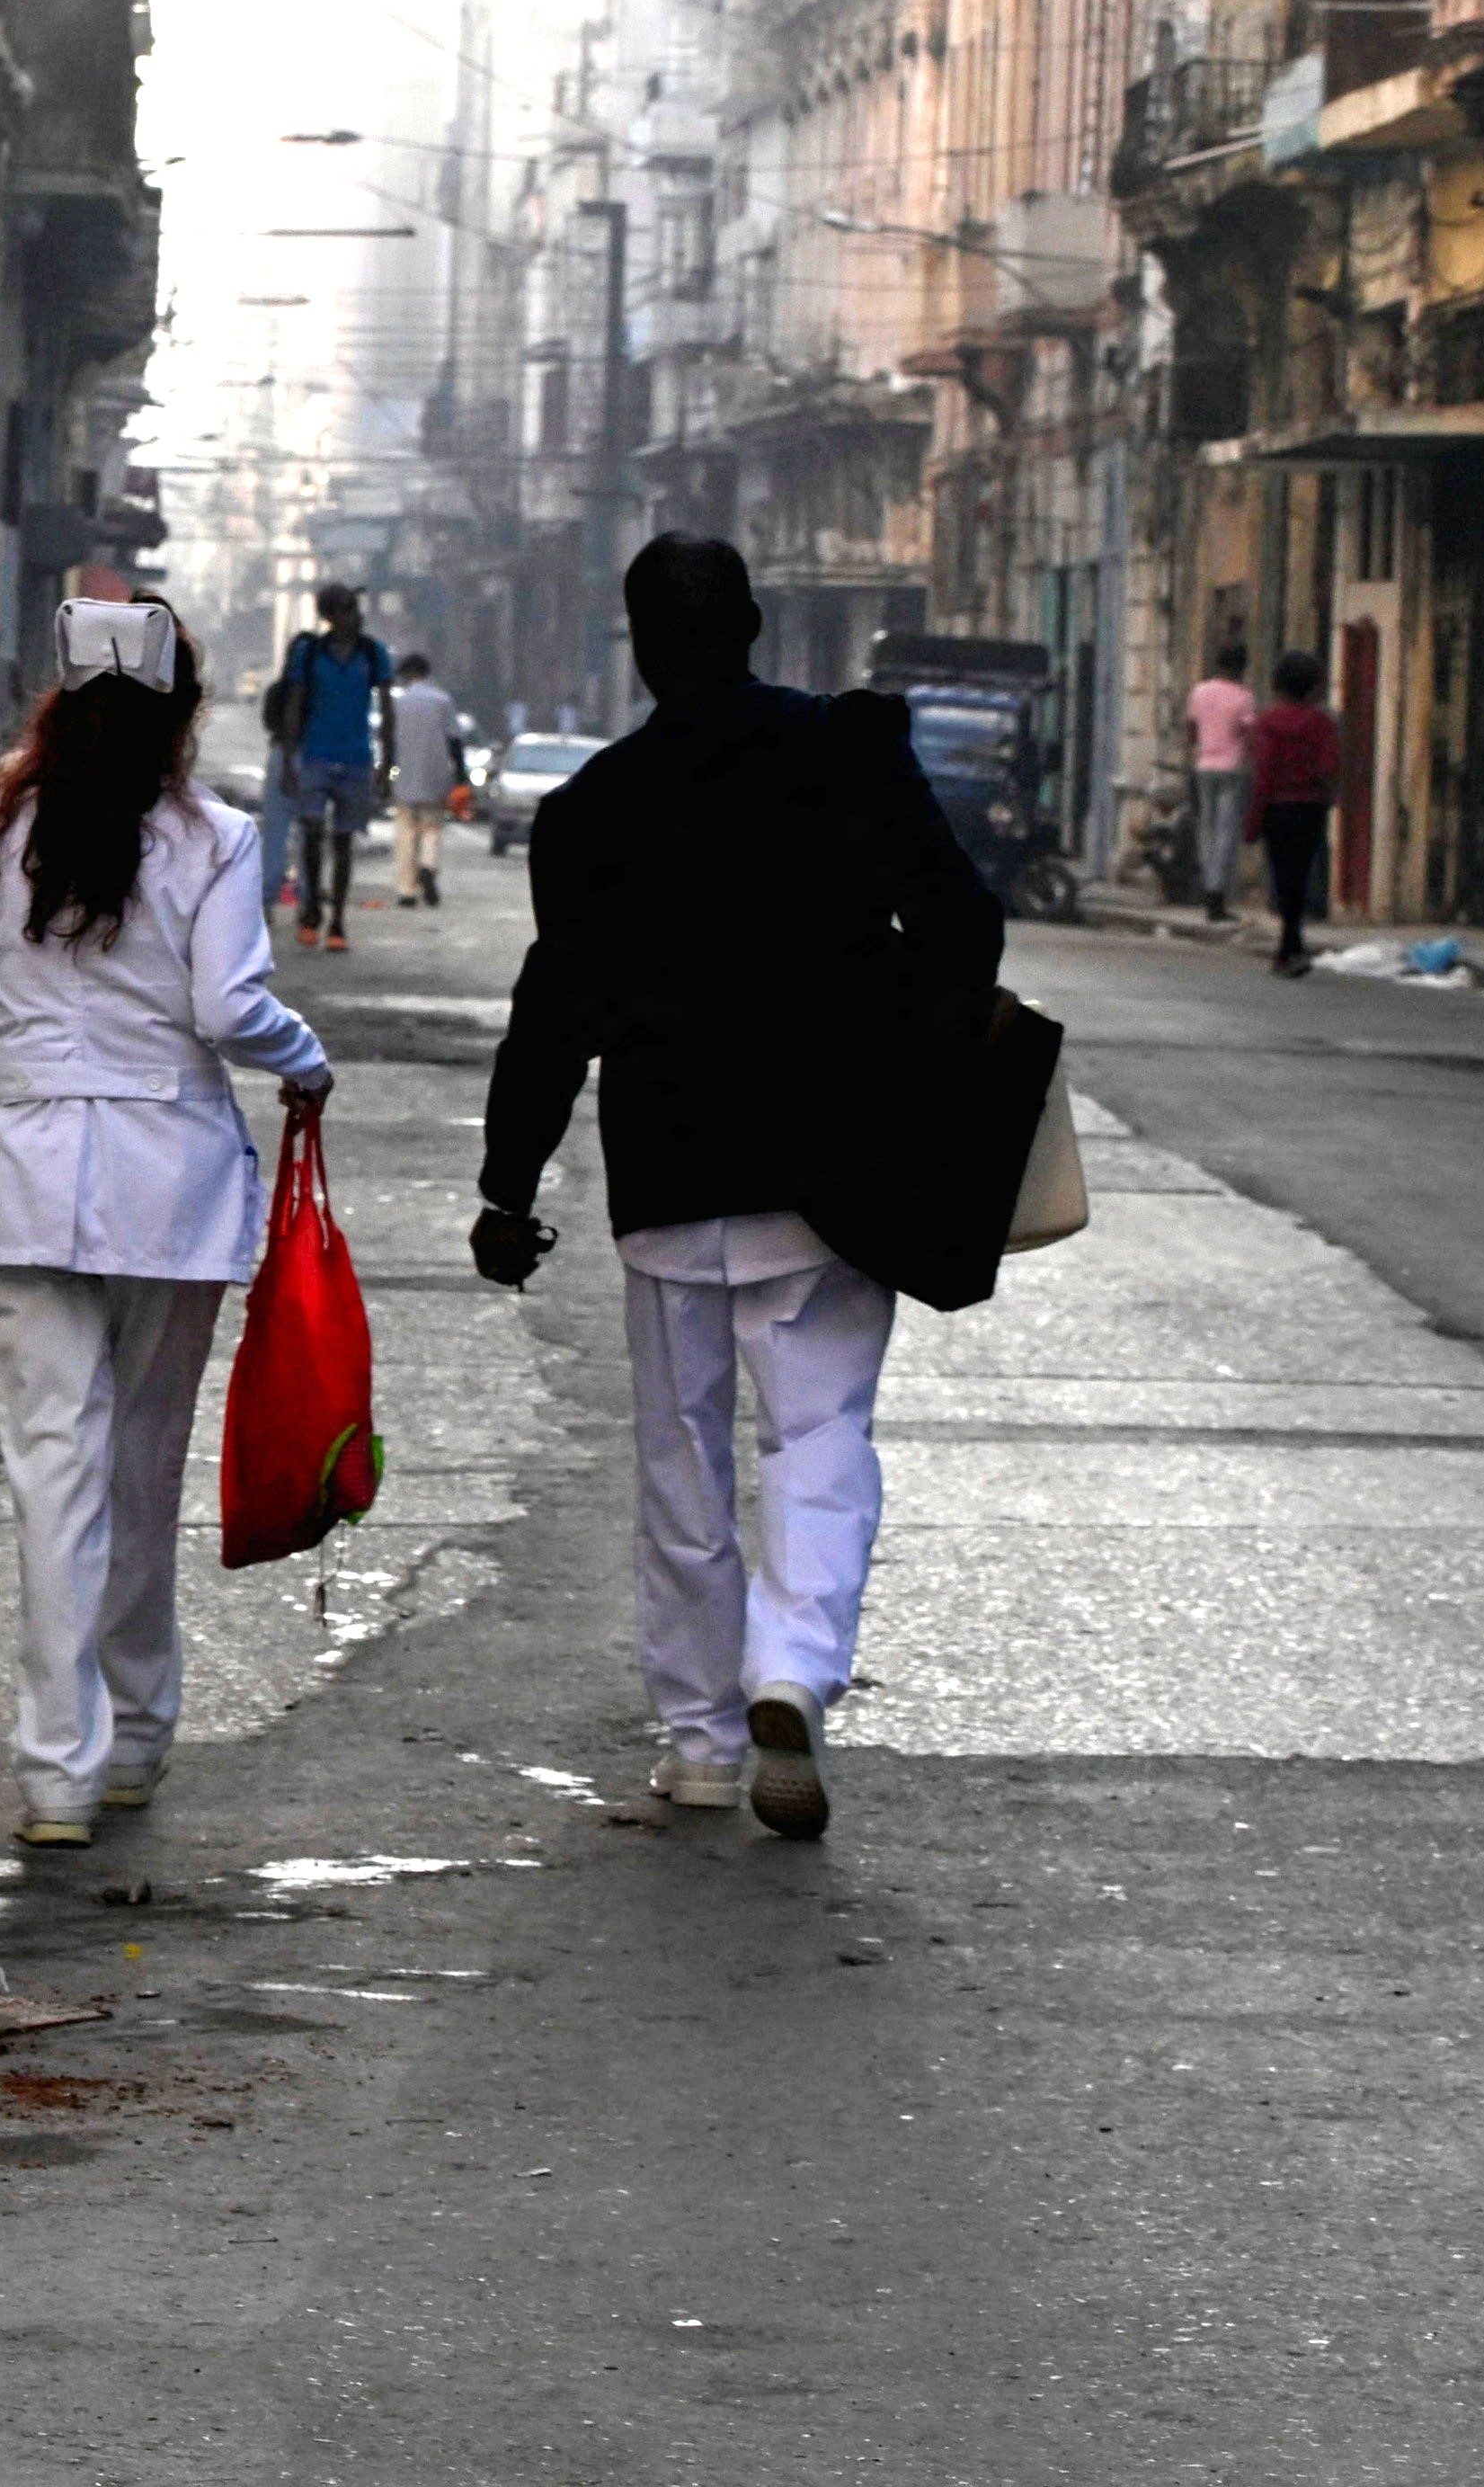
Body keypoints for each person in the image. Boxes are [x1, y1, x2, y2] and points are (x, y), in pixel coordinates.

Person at [473, 536, 1000, 1841]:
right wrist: (908, 1055)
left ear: (638, 644)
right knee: (819, 1437)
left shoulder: (595, 804)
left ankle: (704, 1743)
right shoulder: (848, 750)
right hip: (831, 1174)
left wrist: (506, 1183)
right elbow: (961, 925)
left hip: (668, 1173)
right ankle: (793, 1669)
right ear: (758, 625)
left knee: (682, 1464)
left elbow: (557, 1009)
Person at [0, 594, 336, 1845]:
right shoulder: (214, 837)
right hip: (171, 1187)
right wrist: (305, 1058)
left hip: (25, 1178)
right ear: (181, 715)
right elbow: (229, 1005)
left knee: (54, 1479)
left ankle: (56, 1770)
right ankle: (140, 1734)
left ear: (56, 705)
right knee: (141, 1469)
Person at [262, 584, 395, 945]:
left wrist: (387, 765)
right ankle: (311, 911)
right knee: (312, 833)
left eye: (356, 608)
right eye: (349, 609)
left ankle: (336, 919)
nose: (357, 615)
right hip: (315, 756)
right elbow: (293, 706)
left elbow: (386, 709)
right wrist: (290, 760)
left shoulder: (373, 653)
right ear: (331, 616)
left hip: (356, 759)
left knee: (343, 840)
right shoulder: (309, 653)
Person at [1251, 649, 1343, 972]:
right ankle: (1293, 943)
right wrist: (1330, 795)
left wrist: (1254, 819)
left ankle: (1289, 946)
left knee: (1283, 876)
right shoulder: (1322, 722)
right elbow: (1328, 764)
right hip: (1310, 807)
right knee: (1302, 875)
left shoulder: (1267, 722)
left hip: (1278, 808)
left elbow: (1263, 771)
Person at [385, 649, 467, 910]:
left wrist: (386, 770)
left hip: (405, 776)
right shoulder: (442, 701)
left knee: (406, 833)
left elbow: (388, 740)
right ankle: (429, 867)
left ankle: (407, 891)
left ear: (409, 674)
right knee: (432, 829)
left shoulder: (399, 702)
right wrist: (460, 773)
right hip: (435, 776)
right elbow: (455, 739)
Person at [1185, 638, 1257, 921]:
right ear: (1241, 667)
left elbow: (1191, 727)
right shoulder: (1244, 697)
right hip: (1231, 769)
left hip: (1204, 765)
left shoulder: (1199, 691)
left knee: (1207, 830)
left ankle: (1207, 885)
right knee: (1226, 834)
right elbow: (1249, 734)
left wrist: (1198, 748)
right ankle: (1216, 895)